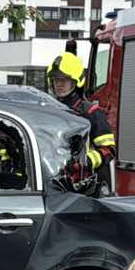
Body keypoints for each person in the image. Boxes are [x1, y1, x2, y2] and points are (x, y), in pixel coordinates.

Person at [47, 50, 115, 188]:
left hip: (83, 185)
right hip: (54, 181)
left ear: (76, 81)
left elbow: (109, 150)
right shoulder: (48, 110)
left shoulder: (91, 113)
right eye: (55, 79)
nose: (59, 84)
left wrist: (86, 161)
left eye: (64, 80)